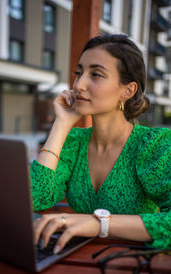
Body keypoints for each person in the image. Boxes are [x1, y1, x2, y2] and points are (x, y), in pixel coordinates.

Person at [30, 34, 171, 254]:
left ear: (128, 90)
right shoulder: (74, 142)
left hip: (131, 271)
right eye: (79, 73)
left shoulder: (153, 146)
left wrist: (100, 223)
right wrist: (61, 124)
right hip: (74, 262)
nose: (79, 84)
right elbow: (34, 198)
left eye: (95, 74)